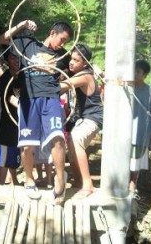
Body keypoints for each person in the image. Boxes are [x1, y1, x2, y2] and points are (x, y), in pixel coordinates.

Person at [0, 20, 73, 204]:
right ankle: (29, 180)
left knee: (58, 139)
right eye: (61, 39)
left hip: (51, 99)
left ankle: (59, 181)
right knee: (27, 144)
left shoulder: (63, 55)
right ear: (52, 32)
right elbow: (2, 39)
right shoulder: (27, 44)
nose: (62, 44)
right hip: (28, 99)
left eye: (65, 42)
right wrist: (22, 25)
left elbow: (77, 70)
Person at [60, 43, 103, 199]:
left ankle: (88, 185)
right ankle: (78, 182)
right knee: (71, 143)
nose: (71, 62)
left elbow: (61, 87)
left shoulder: (84, 75)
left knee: (76, 139)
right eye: (71, 58)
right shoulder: (79, 73)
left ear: (84, 63)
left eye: (76, 60)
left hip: (93, 117)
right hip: (84, 117)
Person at [129, 59, 151, 193]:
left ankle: (132, 183)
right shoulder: (127, 87)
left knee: (136, 158)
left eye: (138, 72)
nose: (134, 73)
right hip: (126, 130)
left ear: (145, 75)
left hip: (140, 131)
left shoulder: (150, 91)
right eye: (133, 70)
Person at [0, 50, 21, 185]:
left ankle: (15, 181)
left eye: (18, 58)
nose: (16, 60)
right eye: (12, 58)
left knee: (15, 151)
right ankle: (0, 184)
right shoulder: (5, 78)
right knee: (5, 154)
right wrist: (22, 106)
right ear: (7, 61)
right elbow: (8, 96)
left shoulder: (22, 75)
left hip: (20, 121)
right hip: (8, 121)